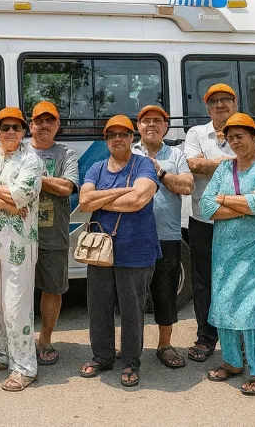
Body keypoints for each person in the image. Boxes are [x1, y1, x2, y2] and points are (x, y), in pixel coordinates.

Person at [183, 83, 255, 363]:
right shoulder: (196, 133)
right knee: (208, 282)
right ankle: (207, 338)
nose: (220, 105)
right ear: (207, 108)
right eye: (214, 101)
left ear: (235, 102)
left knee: (247, 286)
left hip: (248, 231)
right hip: (204, 220)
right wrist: (243, 192)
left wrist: (226, 196)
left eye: (225, 100)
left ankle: (248, 349)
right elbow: (194, 166)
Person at [199, 113, 255, 396]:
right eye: (230, 137)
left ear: (253, 136)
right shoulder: (225, 169)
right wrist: (242, 205)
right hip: (225, 251)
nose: (235, 142)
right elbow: (205, 207)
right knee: (225, 304)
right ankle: (233, 362)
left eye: (240, 136)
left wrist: (223, 199)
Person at [78, 115, 160, 387]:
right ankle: (102, 357)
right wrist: (121, 191)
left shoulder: (144, 164)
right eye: (111, 134)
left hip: (135, 249)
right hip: (100, 251)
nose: (117, 138)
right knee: (98, 307)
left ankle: (131, 362)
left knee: (132, 310)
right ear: (106, 139)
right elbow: (85, 201)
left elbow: (138, 200)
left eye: (123, 134)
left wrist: (104, 195)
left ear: (131, 138)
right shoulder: (96, 167)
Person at [0, 107, 43, 392]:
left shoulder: (32, 160)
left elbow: (24, 193)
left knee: (16, 307)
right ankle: (1, 354)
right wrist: (7, 203)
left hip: (18, 245)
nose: (10, 132)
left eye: (16, 127)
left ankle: (24, 367)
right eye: (5, 127)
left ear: (24, 131)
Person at [131, 106, 194, 368]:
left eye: (158, 121)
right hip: (132, 235)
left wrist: (160, 172)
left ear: (166, 127)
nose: (152, 125)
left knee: (165, 292)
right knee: (131, 295)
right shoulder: (129, 151)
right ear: (138, 126)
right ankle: (131, 346)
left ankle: (165, 345)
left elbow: (187, 186)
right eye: (146, 121)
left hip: (167, 235)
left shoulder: (176, 154)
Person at [26, 101, 79, 366]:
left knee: (53, 290)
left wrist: (32, 177)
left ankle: (45, 340)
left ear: (57, 125)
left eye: (50, 121)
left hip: (53, 234)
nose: (44, 126)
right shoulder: (19, 150)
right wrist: (49, 182)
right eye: (39, 121)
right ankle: (22, 341)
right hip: (19, 235)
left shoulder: (66, 154)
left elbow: (67, 187)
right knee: (18, 291)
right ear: (31, 125)